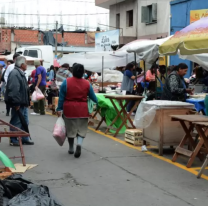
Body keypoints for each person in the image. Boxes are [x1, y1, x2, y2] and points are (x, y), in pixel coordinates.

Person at [56, 63, 98, 158]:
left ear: (73, 71)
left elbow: (61, 98)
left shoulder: (66, 82)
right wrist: (97, 103)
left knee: (70, 130)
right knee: (81, 129)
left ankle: (71, 148)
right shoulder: (87, 83)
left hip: (69, 109)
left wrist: (59, 109)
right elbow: (93, 97)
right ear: (83, 72)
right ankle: (79, 145)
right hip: (83, 110)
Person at [5, 56, 34, 146]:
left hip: (22, 102)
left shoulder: (20, 73)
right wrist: (16, 103)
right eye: (26, 63)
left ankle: (24, 138)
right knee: (16, 121)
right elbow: (14, 90)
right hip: (19, 102)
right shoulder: (15, 73)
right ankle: (13, 139)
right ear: (22, 65)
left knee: (24, 121)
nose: (27, 65)